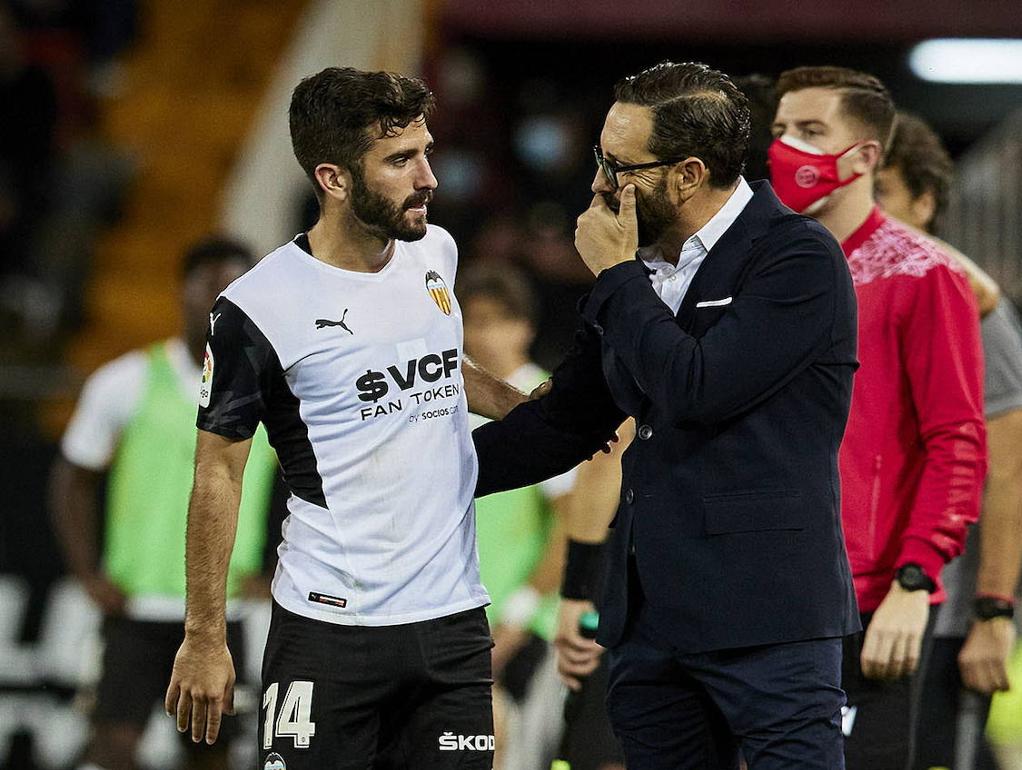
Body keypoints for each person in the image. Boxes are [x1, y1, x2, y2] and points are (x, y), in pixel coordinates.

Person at [163, 67, 611, 769]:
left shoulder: (436, 251)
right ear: (334, 179)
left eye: (426, 152)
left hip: (454, 622)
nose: (428, 178)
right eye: (401, 161)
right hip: (328, 626)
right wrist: (204, 635)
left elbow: (440, 364)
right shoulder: (256, 308)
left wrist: (527, 409)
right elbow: (218, 473)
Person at [543, 61, 861, 770]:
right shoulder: (644, 269)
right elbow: (571, 418)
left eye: (619, 167)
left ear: (687, 174)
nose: (599, 185)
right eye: (600, 158)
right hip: (651, 622)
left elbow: (697, 387)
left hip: (767, 619)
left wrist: (616, 276)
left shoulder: (797, 257)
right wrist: (435, 463)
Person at [770, 66, 987, 769]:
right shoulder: (755, 272)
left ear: (865, 155)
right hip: (757, 592)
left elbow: (957, 441)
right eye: (781, 130)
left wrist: (914, 583)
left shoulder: (924, 275)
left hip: (865, 600)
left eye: (811, 131)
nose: (788, 148)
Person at [49, 236, 277, 770]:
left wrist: (275, 571)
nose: (222, 299)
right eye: (211, 285)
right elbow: (72, 480)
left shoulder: (273, 393)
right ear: (183, 291)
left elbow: (311, 484)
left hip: (223, 612)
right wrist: (87, 573)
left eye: (237, 287)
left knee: (211, 754)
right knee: (113, 748)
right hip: (136, 607)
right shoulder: (126, 381)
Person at [875, 111, 1022, 769]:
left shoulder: (979, 312)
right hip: (848, 605)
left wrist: (992, 612)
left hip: (938, 619)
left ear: (924, 202)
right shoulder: (841, 304)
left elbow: (1010, 471)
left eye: (880, 191)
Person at [458, 262, 579, 770]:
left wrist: (519, 616)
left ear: (525, 327)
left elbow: (571, 524)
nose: (481, 335)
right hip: (460, 619)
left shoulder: (542, 404)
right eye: (472, 321)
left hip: (522, 627)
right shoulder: (446, 404)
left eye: (496, 321)